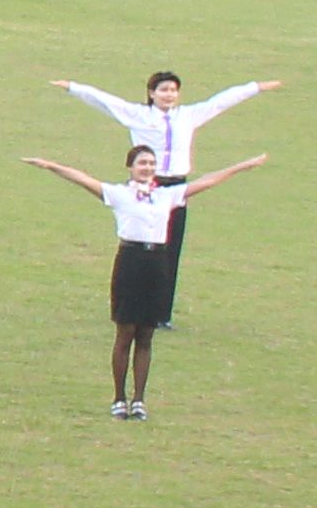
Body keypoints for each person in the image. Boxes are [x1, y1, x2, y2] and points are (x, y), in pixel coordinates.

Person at [21, 142, 272, 417]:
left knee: (146, 336)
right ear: (130, 167)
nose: (147, 168)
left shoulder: (166, 196)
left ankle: (139, 399)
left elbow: (207, 181)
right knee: (125, 333)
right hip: (130, 262)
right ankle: (119, 397)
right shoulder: (119, 194)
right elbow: (82, 179)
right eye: (142, 163)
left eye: (151, 164)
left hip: (157, 264)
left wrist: (243, 166)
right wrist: (50, 166)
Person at [57, 69, 275, 326]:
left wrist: (255, 87)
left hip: (178, 186)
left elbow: (220, 102)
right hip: (150, 183)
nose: (169, 95)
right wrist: (72, 87)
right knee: (144, 245)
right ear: (152, 93)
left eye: (173, 90)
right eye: (163, 90)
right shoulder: (138, 115)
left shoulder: (188, 116)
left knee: (171, 250)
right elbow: (104, 100)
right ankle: (133, 307)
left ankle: (161, 313)